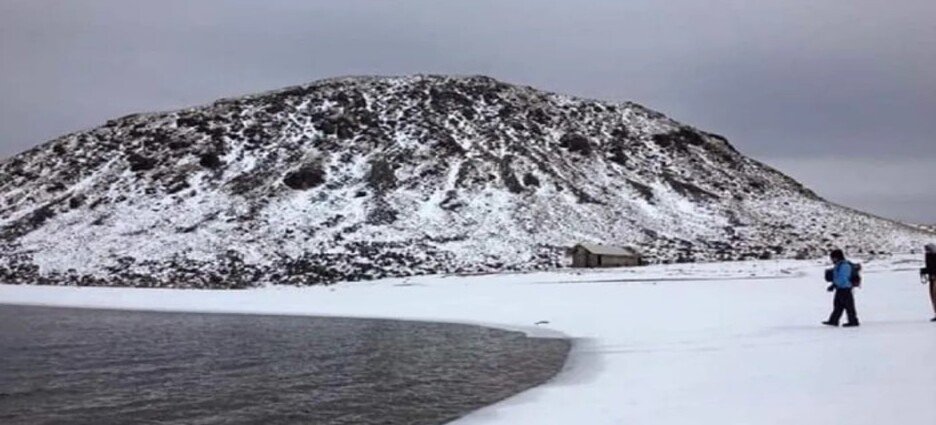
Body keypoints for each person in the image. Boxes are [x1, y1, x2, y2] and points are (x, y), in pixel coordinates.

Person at [822, 249, 860, 327]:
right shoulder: (839, 265)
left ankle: (853, 321)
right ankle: (833, 320)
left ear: (837, 257)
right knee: (838, 306)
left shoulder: (844, 266)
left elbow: (842, 278)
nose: (832, 260)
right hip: (840, 288)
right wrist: (834, 285)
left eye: (832, 258)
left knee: (848, 306)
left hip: (845, 288)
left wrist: (835, 285)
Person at [925, 244, 936, 322]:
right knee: (933, 295)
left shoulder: (932, 256)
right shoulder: (928, 256)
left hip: (934, 277)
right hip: (932, 277)